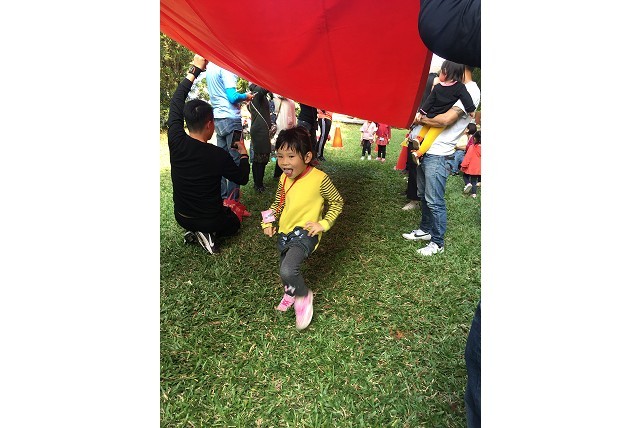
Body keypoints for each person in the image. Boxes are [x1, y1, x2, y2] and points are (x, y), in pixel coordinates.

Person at [261, 127, 344, 330]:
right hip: (285, 231)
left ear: (307, 157)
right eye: (280, 156)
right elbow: (278, 203)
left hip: (306, 232)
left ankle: (303, 296)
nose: (284, 162)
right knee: (284, 269)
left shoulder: (320, 179)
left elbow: (337, 202)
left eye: (291, 156)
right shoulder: (284, 178)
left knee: (288, 269)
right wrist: (267, 222)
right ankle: (290, 292)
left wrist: (323, 224)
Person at [167, 54, 250, 255]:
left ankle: (196, 230)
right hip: (211, 219)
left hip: (181, 216)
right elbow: (242, 178)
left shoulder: (175, 140)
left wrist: (194, 70)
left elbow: (176, 102)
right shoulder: (217, 155)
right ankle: (207, 233)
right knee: (234, 222)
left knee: (218, 211)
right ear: (209, 124)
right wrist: (244, 154)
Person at [402, 63, 480, 256]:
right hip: (425, 150)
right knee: (424, 195)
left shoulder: (470, 90)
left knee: (434, 200)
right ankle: (425, 230)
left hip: (439, 153)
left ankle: (437, 242)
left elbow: (445, 120)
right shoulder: (450, 86)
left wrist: (419, 118)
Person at [410, 61, 476, 165]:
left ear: (445, 71)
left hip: (431, 113)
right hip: (441, 115)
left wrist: (422, 112)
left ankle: (418, 139)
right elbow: (466, 99)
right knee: (430, 136)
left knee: (426, 127)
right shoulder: (460, 87)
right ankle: (418, 153)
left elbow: (429, 101)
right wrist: (471, 110)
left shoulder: (438, 87)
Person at [205, 62, 254, 201]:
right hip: (232, 121)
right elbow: (232, 97)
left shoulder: (211, 67)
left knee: (220, 160)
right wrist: (246, 96)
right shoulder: (226, 67)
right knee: (236, 161)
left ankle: (222, 198)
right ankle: (233, 202)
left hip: (218, 119)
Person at [402, 71, 439, 211]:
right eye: (435, 85)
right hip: (414, 138)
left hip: (424, 140)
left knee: (417, 170)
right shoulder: (420, 104)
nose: (438, 88)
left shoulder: (436, 104)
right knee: (412, 168)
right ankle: (411, 193)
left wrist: (420, 119)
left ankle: (415, 199)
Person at [248, 82, 273, 193]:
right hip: (260, 131)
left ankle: (258, 184)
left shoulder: (256, 94)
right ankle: (258, 185)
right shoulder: (257, 92)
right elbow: (266, 86)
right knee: (260, 159)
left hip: (260, 130)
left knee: (260, 159)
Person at [272, 95, 297, 179]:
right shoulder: (279, 98)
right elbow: (276, 108)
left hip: (290, 128)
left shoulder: (290, 100)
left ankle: (283, 172)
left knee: (288, 150)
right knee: (282, 150)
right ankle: (278, 174)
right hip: (282, 128)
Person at [460, 130, 481, 198]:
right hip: (478, 168)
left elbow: (467, 157)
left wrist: (463, 165)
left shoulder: (472, 147)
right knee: (474, 181)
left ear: (475, 138)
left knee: (465, 176)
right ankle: (474, 194)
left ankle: (468, 183)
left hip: (471, 167)